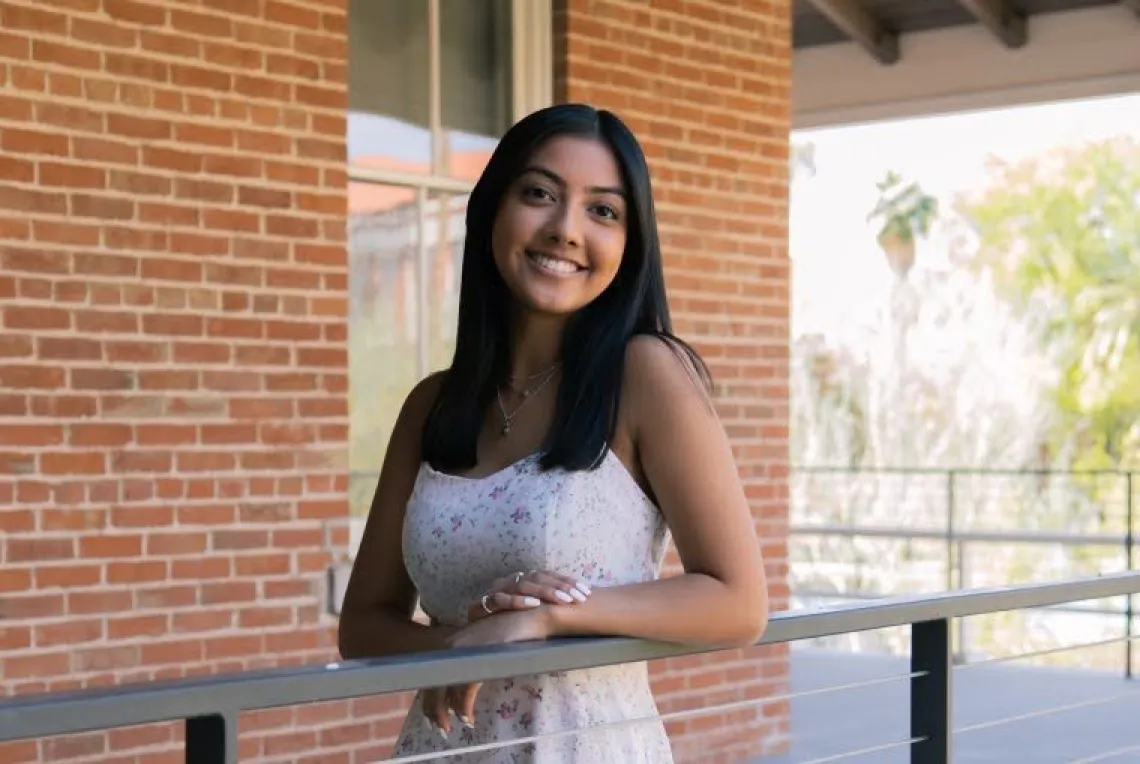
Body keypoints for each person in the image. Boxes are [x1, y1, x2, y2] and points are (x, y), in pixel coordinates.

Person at [338, 103, 768, 763]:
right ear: (493, 211)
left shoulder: (646, 374)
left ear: (630, 242)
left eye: (603, 210)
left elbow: (738, 602)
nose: (566, 230)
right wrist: (459, 648)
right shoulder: (431, 405)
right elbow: (364, 625)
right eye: (539, 194)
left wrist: (548, 616)